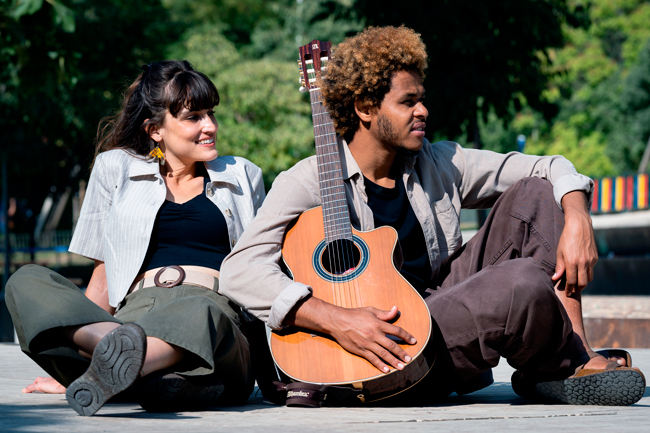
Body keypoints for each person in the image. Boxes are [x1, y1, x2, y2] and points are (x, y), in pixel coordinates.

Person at [220, 26, 646, 406]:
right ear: (366, 108)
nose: (423, 111)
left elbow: (549, 167)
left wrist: (577, 219)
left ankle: (571, 360)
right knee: (520, 282)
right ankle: (558, 366)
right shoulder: (309, 180)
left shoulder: (439, 161)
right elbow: (239, 270)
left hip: (442, 308)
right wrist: (336, 319)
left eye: (422, 99)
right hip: (390, 348)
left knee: (537, 194)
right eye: (408, 102)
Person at [5, 60, 265, 415]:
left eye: (211, 114)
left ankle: (121, 365)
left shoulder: (242, 174)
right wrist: (101, 341)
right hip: (132, 316)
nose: (210, 127)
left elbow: (263, 268)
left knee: (200, 309)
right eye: (194, 117)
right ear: (155, 129)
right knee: (27, 281)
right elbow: (103, 276)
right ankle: (123, 361)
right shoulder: (115, 168)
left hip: (213, 318)